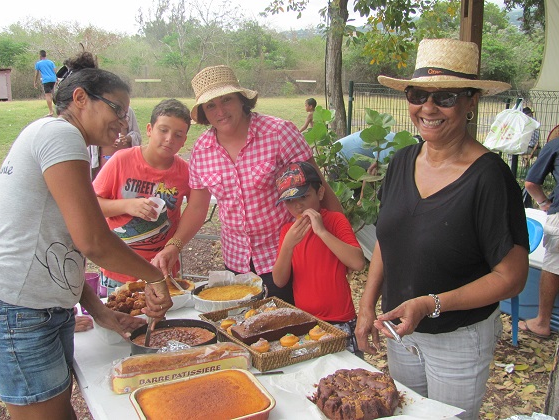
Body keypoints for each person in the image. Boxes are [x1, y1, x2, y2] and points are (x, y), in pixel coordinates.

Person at [354, 38, 529, 420]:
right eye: (418, 94)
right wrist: (367, 306)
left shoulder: (490, 178)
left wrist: (430, 304)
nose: (428, 108)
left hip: (458, 338)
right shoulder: (402, 161)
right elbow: (388, 239)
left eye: (445, 96)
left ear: (470, 102)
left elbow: (512, 277)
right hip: (401, 331)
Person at [0, 51, 172, 420]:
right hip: (20, 310)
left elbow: (60, 249)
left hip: (37, 307)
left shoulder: (49, 134)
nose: (123, 120)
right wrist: (154, 275)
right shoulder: (61, 134)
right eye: (117, 108)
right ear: (80, 99)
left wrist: (101, 312)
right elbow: (92, 240)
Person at [150, 65, 343, 305]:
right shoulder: (202, 149)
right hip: (236, 262)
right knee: (243, 330)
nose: (220, 111)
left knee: (290, 332)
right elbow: (198, 208)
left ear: (241, 100)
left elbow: (319, 186)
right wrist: (173, 246)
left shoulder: (278, 133)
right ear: (203, 112)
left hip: (288, 256)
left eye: (227, 100)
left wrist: (341, 241)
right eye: (211, 105)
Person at [93, 99, 191, 295]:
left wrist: (175, 246)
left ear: (184, 140)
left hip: (162, 270)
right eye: (163, 130)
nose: (169, 138)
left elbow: (196, 209)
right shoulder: (121, 160)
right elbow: (90, 205)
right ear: (149, 129)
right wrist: (127, 206)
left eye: (178, 135)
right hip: (118, 271)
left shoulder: (184, 171)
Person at [272, 161, 365, 355]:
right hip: (306, 323)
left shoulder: (335, 220)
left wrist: (322, 232)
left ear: (320, 193)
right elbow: (279, 280)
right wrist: (288, 245)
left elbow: (357, 262)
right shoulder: (288, 232)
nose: (298, 206)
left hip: (340, 320)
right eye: (289, 201)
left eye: (304, 196)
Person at [519, 135, 559, 339]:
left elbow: (531, 183)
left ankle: (542, 321)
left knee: (553, 265)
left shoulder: (555, 144)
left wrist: (543, 203)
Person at [90, 106, 142, 180]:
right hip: (105, 160)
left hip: (125, 162)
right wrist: (106, 141)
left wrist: (127, 138)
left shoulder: (127, 110)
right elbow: (92, 136)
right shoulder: (98, 110)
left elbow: (137, 135)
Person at [34, 50, 57, 117]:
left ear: (40, 55)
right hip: (53, 79)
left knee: (48, 95)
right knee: (53, 94)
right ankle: (59, 109)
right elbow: (55, 71)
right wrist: (57, 78)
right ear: (45, 55)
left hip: (46, 80)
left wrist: (35, 82)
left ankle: (51, 111)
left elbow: (36, 74)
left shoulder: (38, 63)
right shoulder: (51, 62)